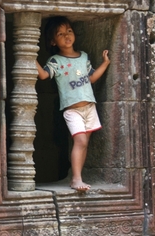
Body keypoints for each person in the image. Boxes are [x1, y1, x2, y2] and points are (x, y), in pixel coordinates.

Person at [36, 16, 110, 192]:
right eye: (60, 34)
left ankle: (78, 176)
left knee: (84, 144)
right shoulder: (55, 61)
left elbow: (91, 77)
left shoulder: (83, 56)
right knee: (81, 140)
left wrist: (105, 63)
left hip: (90, 107)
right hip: (72, 110)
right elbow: (44, 75)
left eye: (69, 31)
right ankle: (76, 179)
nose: (66, 35)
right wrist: (29, 54)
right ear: (53, 41)